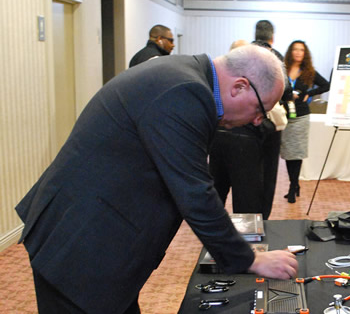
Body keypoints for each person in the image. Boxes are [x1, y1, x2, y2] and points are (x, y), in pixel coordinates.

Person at [15, 45, 298, 313]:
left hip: (96, 234)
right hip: (80, 245)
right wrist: (251, 259)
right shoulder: (186, 92)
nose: (258, 121)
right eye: (260, 110)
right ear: (239, 87)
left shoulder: (185, 74)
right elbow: (195, 192)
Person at [209, 21, 291, 220]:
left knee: (217, 186)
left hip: (220, 132)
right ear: (272, 37)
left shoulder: (235, 60)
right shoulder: (272, 60)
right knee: (250, 193)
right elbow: (285, 92)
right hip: (252, 138)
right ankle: (251, 236)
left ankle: (216, 231)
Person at [281, 40, 330, 203]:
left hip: (301, 116)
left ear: (305, 53)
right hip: (285, 115)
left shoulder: (308, 71)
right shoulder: (283, 69)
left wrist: (310, 93)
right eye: (295, 49)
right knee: (289, 153)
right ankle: (294, 184)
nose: (298, 52)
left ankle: (293, 187)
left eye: (301, 50)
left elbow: (326, 85)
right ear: (290, 52)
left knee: (298, 151)